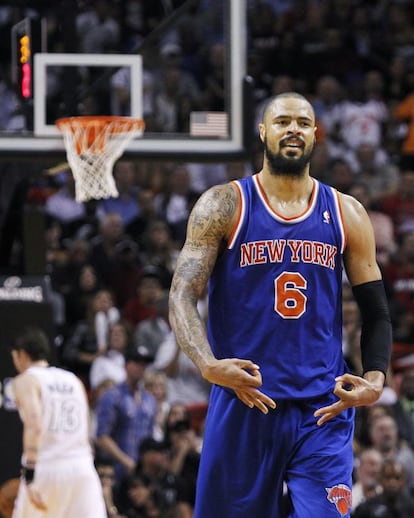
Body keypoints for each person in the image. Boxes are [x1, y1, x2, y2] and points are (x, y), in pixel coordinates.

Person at [168, 92, 392, 518]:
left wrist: (376, 377)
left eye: (304, 123)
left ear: (315, 135)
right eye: (283, 121)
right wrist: (206, 363)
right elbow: (181, 293)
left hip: (322, 408)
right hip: (246, 398)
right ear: (263, 132)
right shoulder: (225, 204)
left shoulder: (347, 212)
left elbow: (377, 311)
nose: (294, 129)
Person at [10, 327, 106, 518]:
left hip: (47, 467)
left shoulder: (26, 380)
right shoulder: (73, 380)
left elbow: (34, 424)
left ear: (20, 355)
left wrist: (30, 472)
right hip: (82, 467)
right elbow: (86, 431)